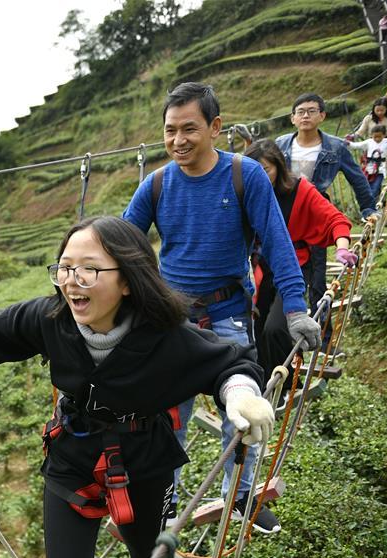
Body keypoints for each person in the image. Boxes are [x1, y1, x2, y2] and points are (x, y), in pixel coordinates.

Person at [0, 216, 273, 558]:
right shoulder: (52, 319)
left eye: (89, 269)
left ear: (128, 280)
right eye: (65, 268)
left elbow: (230, 362)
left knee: (150, 557)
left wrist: (240, 396)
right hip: (73, 454)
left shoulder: (165, 335)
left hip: (145, 457)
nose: (71, 281)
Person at [122, 82, 320, 535]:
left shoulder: (244, 175)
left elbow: (277, 243)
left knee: (244, 414)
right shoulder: (156, 184)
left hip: (227, 316)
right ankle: (165, 505)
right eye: (170, 131)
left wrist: (295, 309)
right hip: (171, 321)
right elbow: (123, 245)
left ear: (215, 127)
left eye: (189, 129)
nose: (178, 140)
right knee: (168, 420)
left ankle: (242, 494)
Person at [244, 139, 358, 386]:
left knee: (277, 328)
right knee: (257, 330)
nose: (259, 176)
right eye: (253, 170)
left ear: (279, 167)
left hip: (295, 264)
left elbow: (334, 219)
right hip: (260, 269)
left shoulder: (299, 190)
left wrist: (342, 248)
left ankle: (285, 385)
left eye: (265, 169)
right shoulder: (244, 194)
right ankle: (266, 385)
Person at [276, 92, 377, 350]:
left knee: (318, 281)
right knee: (287, 275)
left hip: (317, 213)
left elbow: (357, 178)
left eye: (312, 111)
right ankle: (287, 336)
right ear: (292, 118)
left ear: (322, 115)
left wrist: (368, 208)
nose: (305, 116)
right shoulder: (280, 144)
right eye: (300, 112)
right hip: (285, 214)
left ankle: (324, 339)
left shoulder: (335, 147)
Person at [347, 125, 387, 198]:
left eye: (379, 136)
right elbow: (357, 145)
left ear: (384, 135)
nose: (377, 139)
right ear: (372, 135)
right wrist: (348, 143)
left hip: (380, 170)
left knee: (375, 187)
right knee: (367, 187)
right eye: (375, 137)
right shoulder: (369, 142)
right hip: (368, 170)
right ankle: (375, 199)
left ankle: (372, 200)